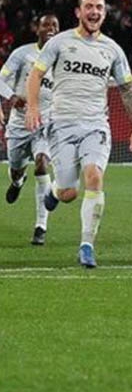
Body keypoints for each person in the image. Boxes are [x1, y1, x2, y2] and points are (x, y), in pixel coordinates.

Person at [25, 0, 132, 268]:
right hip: (61, 126)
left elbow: (127, 89)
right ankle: (56, 191)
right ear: (79, 12)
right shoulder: (60, 42)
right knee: (69, 192)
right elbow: (36, 75)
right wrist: (33, 107)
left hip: (95, 126)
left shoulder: (112, 49)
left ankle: (87, 246)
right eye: (89, 6)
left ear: (105, 13)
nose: (94, 12)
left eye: (99, 7)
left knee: (94, 177)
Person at [0, 14, 60, 245]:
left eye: (54, 25)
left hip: (45, 124)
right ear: (37, 29)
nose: (50, 28)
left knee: (42, 163)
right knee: (16, 168)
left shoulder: (62, 59)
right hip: (19, 124)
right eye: (46, 24)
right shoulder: (22, 54)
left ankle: (40, 226)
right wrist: (12, 97)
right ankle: (17, 181)